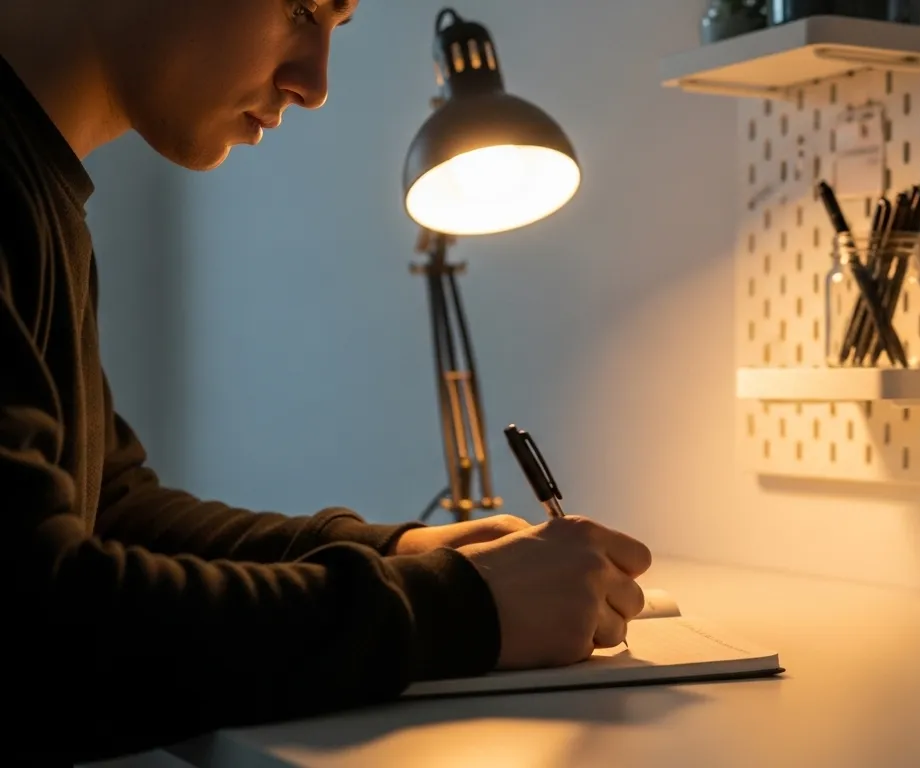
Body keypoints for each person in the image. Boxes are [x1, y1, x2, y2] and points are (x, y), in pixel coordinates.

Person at [0, 0, 653, 762]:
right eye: (301, 8)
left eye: (333, 29)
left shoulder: (35, 188)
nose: (314, 85)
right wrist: (460, 608)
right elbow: (39, 630)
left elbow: (111, 509)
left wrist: (402, 552)